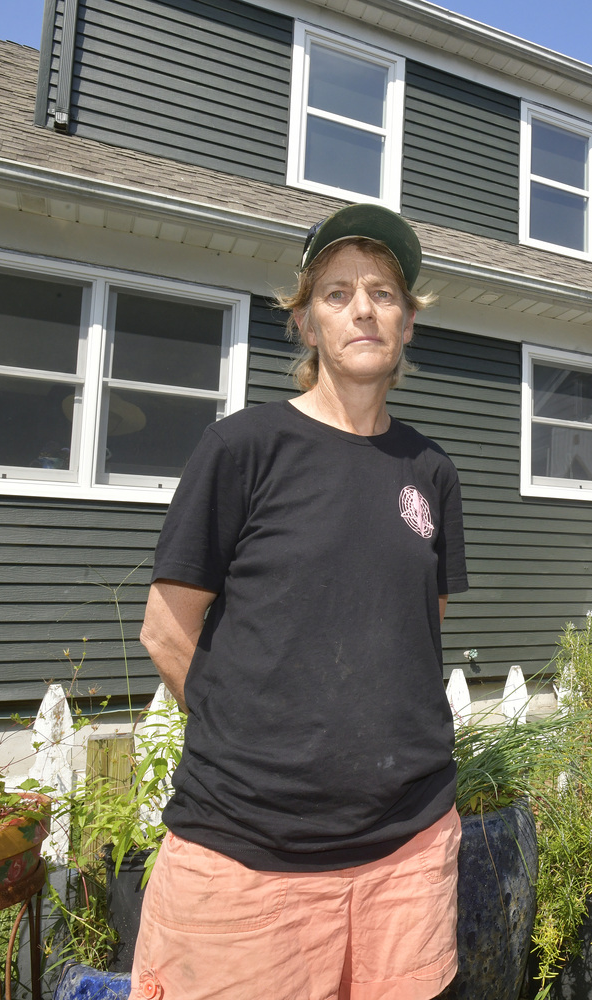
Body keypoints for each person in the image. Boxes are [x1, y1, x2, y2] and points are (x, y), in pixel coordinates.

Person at [133, 204, 469, 1000]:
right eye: (338, 292)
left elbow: (419, 634)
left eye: (384, 293)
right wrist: (261, 749)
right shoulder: (243, 449)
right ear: (306, 323)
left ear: (409, 323)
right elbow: (167, 631)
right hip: (248, 860)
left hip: (408, 856)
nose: (363, 308)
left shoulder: (431, 470)